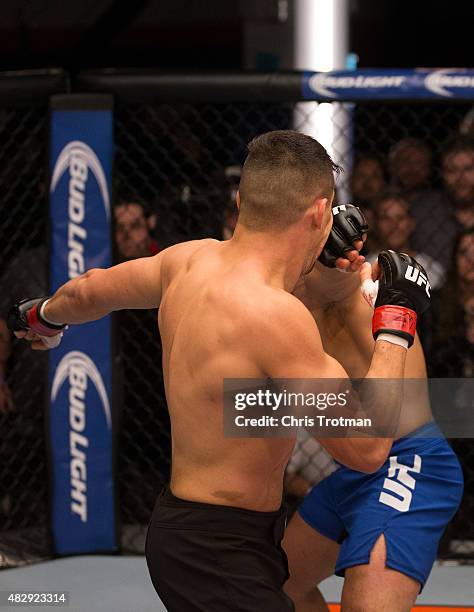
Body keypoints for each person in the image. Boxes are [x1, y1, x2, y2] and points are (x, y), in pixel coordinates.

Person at [9, 130, 432, 612]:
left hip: (194, 530)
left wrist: (42, 315)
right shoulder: (278, 317)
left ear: (241, 200)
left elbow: (89, 290)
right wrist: (397, 323)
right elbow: (368, 449)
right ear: (320, 213)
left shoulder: (185, 262)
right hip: (218, 549)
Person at [283, 220, 463, 611]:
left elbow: (368, 273)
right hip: (356, 470)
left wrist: (337, 256)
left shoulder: (356, 288)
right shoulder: (287, 302)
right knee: (281, 588)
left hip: (410, 464)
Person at [368, 189, 445, 289]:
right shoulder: (365, 268)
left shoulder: (431, 272)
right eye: (385, 218)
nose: (394, 225)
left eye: (400, 218)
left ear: (411, 224)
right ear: (376, 224)